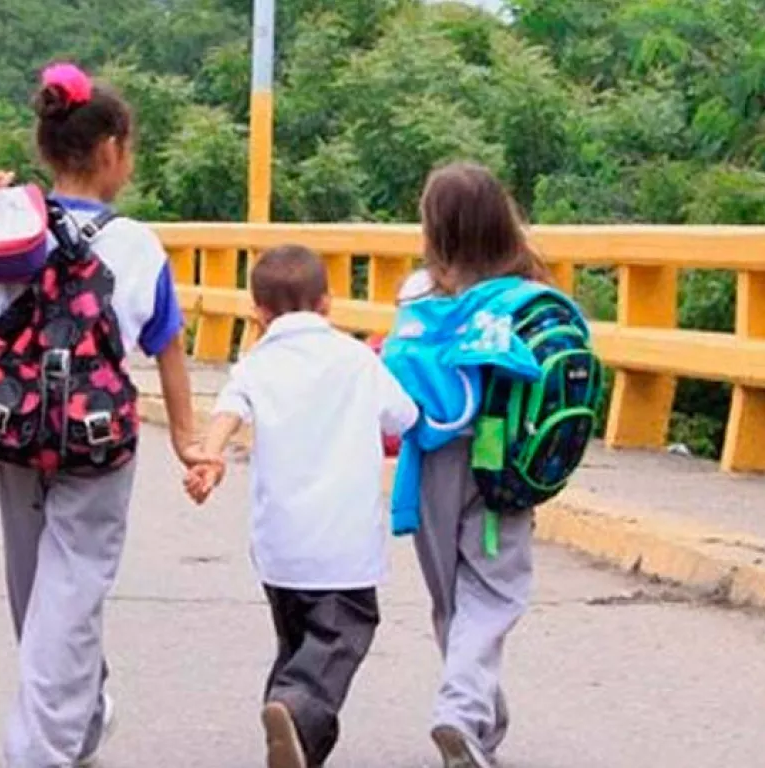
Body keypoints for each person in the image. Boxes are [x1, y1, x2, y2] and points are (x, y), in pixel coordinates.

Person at [0, 64, 203, 768]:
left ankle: (79, 714)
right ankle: (41, 750)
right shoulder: (137, 244)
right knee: (71, 593)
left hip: (13, 428)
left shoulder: (10, 223)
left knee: (35, 588)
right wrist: (189, 441)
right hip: (97, 436)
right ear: (111, 150)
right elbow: (167, 343)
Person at [184, 246, 418, 768]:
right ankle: (291, 709)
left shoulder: (256, 363)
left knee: (297, 643)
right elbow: (404, 417)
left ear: (257, 314)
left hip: (280, 548)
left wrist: (209, 456)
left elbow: (228, 409)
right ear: (328, 304)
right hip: (342, 545)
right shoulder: (358, 359)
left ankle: (293, 735)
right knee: (335, 641)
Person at [387, 163, 553, 768]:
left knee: (454, 599)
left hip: (431, 464)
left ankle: (476, 720)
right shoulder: (531, 294)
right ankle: (462, 714)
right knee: (494, 590)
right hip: (503, 466)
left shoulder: (415, 294)